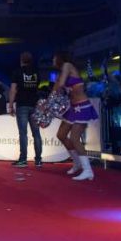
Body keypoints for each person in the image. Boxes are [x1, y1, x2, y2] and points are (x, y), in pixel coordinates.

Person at [53, 52, 98, 181]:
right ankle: (77, 162)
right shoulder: (62, 72)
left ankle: (88, 170)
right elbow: (56, 87)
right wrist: (49, 101)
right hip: (72, 108)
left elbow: (60, 85)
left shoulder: (67, 66)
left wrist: (55, 95)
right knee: (61, 135)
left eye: (54, 58)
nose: (52, 60)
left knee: (74, 138)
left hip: (82, 106)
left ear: (59, 58)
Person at [9, 52, 43, 168]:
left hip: (22, 105)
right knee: (36, 133)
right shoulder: (36, 72)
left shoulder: (17, 72)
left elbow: (13, 90)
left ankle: (23, 160)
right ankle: (38, 160)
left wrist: (10, 105)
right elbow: (37, 87)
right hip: (34, 105)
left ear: (21, 60)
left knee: (23, 133)